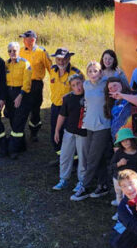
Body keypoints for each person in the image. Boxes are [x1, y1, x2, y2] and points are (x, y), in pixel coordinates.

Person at [76, 61, 114, 201]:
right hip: (89, 125)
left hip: (102, 126)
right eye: (90, 71)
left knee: (91, 158)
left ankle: (84, 187)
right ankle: (103, 185)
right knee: (99, 156)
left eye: (95, 71)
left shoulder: (106, 84)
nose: (93, 73)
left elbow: (119, 88)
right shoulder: (86, 85)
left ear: (101, 72)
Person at [53, 73, 87, 192]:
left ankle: (82, 181)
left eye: (78, 83)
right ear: (71, 87)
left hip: (83, 133)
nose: (77, 87)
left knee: (83, 158)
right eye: (73, 85)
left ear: (83, 82)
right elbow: (62, 115)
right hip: (69, 131)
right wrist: (57, 130)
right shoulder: (68, 98)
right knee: (65, 155)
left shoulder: (89, 96)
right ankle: (63, 179)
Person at [19, 30, 53, 141]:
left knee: (35, 109)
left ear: (32, 40)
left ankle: (34, 131)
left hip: (35, 84)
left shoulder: (41, 52)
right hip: (23, 83)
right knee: (23, 107)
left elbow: (50, 68)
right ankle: (20, 131)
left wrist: (55, 82)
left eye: (25, 38)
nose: (23, 41)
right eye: (23, 39)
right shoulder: (20, 51)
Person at [47, 48, 79, 157]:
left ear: (69, 58)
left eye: (64, 59)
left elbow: (83, 91)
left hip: (70, 109)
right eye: (58, 59)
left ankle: (74, 160)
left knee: (70, 134)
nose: (61, 62)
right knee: (55, 133)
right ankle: (60, 157)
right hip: (56, 107)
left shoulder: (76, 73)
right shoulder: (52, 70)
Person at [4, 42, 32, 158]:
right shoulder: (6, 64)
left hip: (22, 94)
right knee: (12, 119)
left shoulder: (25, 63)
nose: (12, 53)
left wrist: (20, 96)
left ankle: (12, 150)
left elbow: (27, 83)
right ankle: (22, 145)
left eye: (14, 50)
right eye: (9, 51)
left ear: (18, 51)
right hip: (9, 94)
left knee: (18, 123)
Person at [110, 129, 137, 207]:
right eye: (122, 141)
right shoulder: (119, 153)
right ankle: (120, 210)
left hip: (129, 182)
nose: (125, 142)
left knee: (128, 196)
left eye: (127, 140)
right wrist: (119, 163)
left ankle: (128, 210)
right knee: (119, 194)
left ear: (132, 140)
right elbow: (112, 166)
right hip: (117, 179)